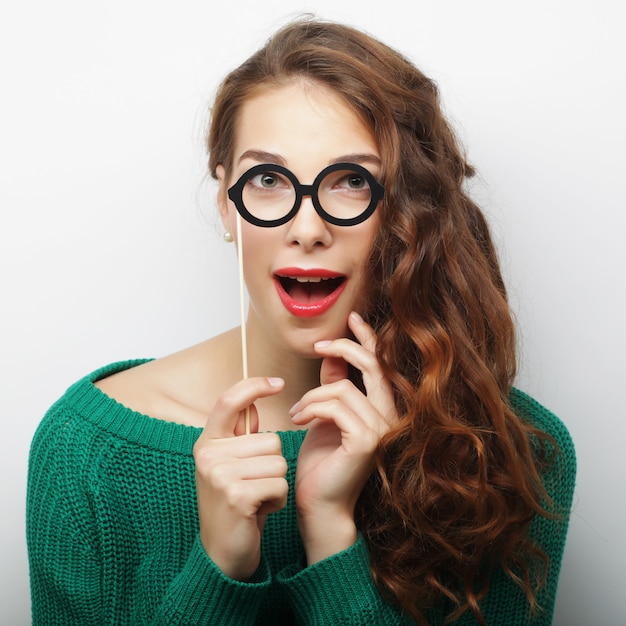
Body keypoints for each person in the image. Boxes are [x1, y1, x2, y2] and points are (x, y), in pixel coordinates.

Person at [26, 17, 576, 626]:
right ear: (226, 204)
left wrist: (332, 535)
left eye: (350, 181)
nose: (308, 229)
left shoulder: (511, 452)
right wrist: (220, 566)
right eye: (267, 179)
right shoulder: (87, 450)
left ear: (408, 211)